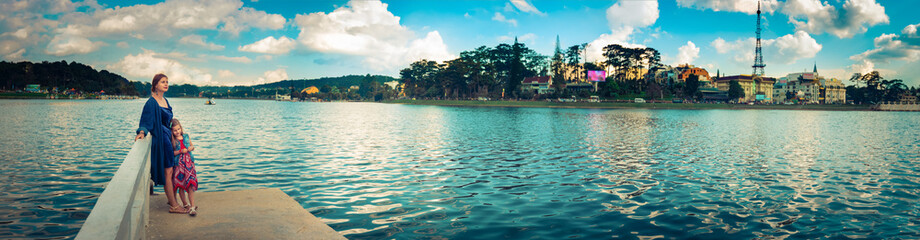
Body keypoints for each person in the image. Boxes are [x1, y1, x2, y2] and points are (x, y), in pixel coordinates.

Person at [135, 73, 186, 214]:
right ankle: (174, 205)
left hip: (169, 138)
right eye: (163, 82)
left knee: (171, 170)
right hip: (162, 140)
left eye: (167, 81)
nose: (166, 84)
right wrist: (142, 132)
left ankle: (171, 199)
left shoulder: (165, 100)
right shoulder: (151, 102)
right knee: (167, 171)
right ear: (155, 85)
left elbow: (168, 120)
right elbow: (145, 121)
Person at [170, 118, 199, 216]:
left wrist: (191, 148)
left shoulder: (186, 136)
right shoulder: (173, 140)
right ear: (172, 131)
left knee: (190, 184)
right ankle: (186, 204)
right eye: (175, 130)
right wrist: (180, 151)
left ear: (181, 128)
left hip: (189, 165)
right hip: (179, 166)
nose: (177, 132)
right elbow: (172, 153)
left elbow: (192, 146)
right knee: (180, 185)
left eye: (178, 129)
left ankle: (192, 206)